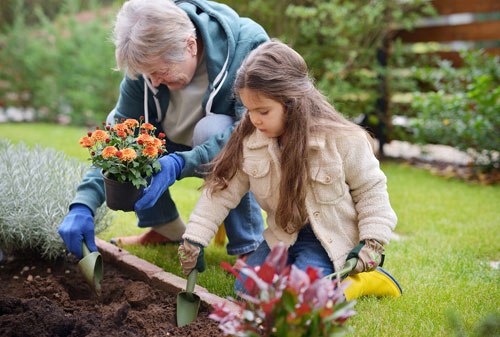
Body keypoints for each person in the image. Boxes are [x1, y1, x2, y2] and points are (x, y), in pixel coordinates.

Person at [178, 40, 402, 299]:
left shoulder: (343, 139)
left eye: (263, 110)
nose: (254, 119)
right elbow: (221, 190)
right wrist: (194, 238)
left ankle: (365, 280)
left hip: (330, 240)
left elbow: (371, 190)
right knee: (247, 292)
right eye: (249, 110)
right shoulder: (250, 139)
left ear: (293, 102)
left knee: (303, 299)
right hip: (283, 236)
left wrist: (372, 242)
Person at [58, 0, 268, 260]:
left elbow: (248, 133)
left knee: (212, 129)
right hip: (170, 141)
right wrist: (83, 204)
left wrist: (179, 163)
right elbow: (119, 133)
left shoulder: (247, 46)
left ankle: (249, 247)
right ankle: (166, 229)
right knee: (126, 130)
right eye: (148, 75)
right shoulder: (146, 68)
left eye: (161, 71)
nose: (155, 81)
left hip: (218, 140)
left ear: (190, 45)